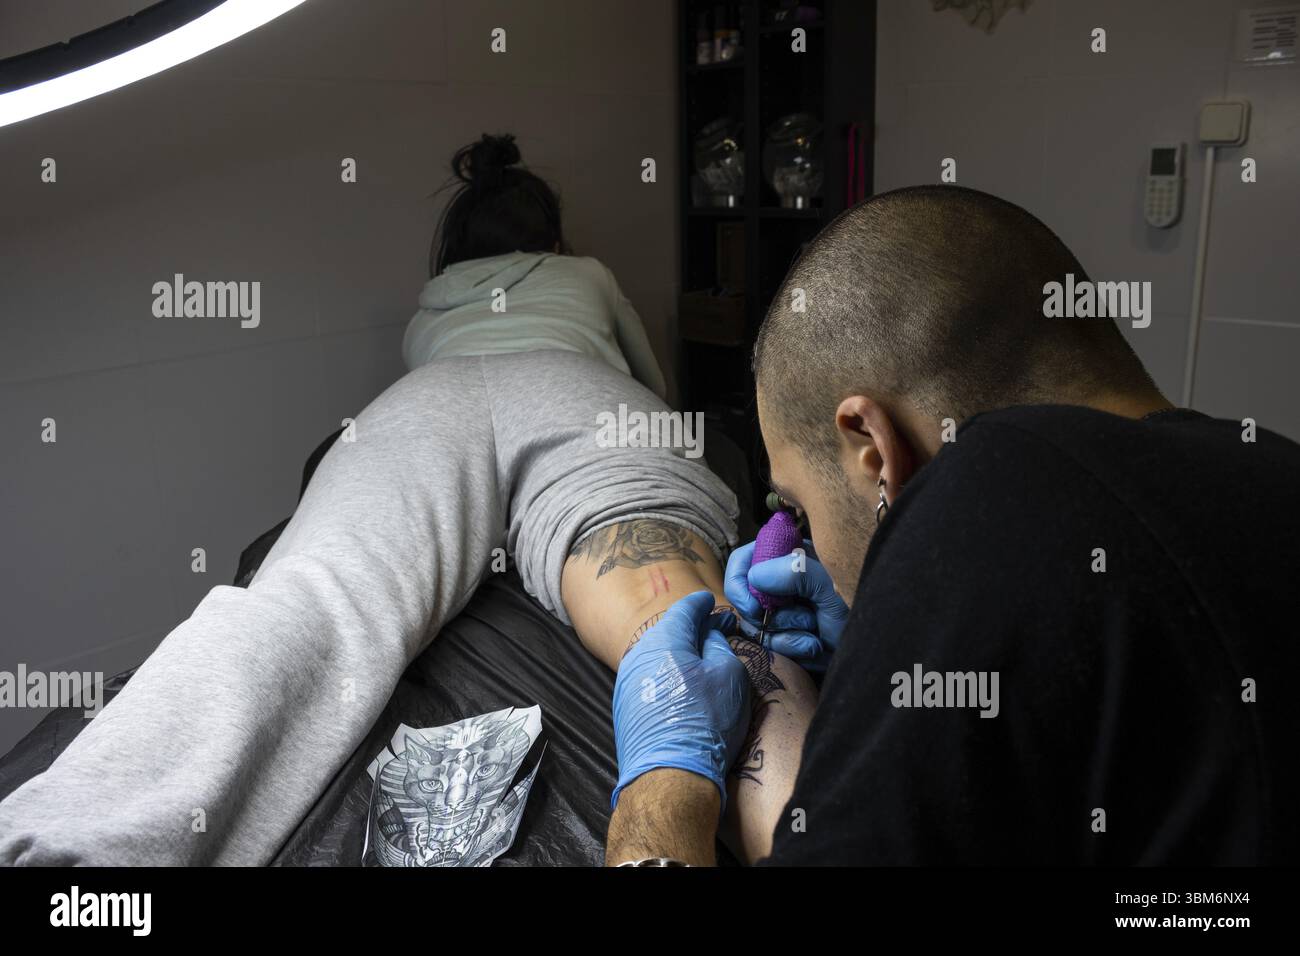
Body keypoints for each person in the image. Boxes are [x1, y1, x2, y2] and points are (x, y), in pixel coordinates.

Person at [0, 135, 812, 865]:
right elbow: (650, 380)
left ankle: (69, 853)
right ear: (556, 242)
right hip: (577, 391)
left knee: (310, 602)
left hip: (426, 405)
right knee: (671, 613)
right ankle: (819, 839)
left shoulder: (430, 313)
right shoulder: (586, 277)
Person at [605, 185, 1300, 866]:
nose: (798, 539)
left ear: (874, 451)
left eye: (797, 509)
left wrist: (660, 790)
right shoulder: (1267, 464)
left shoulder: (988, 486)